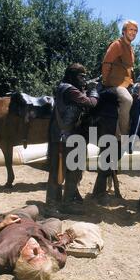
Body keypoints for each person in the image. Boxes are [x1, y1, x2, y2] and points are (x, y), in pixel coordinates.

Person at [0, 205, 75, 280]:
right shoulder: (53, 256)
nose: (37, 248)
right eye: (42, 255)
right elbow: (60, 251)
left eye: (33, 255)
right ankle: (37, 222)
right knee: (56, 222)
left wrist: (1, 225)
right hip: (41, 230)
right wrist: (66, 238)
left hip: (18, 220)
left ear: (21, 262)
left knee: (34, 209)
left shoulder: (2, 256)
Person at [46, 63, 99, 217]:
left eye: (85, 76)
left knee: (72, 171)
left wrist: (86, 88)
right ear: (72, 75)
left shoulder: (67, 87)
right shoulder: (69, 89)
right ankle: (54, 207)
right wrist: (94, 90)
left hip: (68, 136)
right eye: (81, 76)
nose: (84, 79)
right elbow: (91, 103)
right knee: (60, 171)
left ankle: (64, 203)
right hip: (65, 137)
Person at [102, 20, 138, 135]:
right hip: (115, 85)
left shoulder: (131, 50)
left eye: (135, 31)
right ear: (124, 31)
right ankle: (122, 136)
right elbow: (106, 63)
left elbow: (130, 70)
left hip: (128, 84)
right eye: (131, 29)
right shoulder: (117, 45)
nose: (133, 32)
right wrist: (106, 82)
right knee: (127, 100)